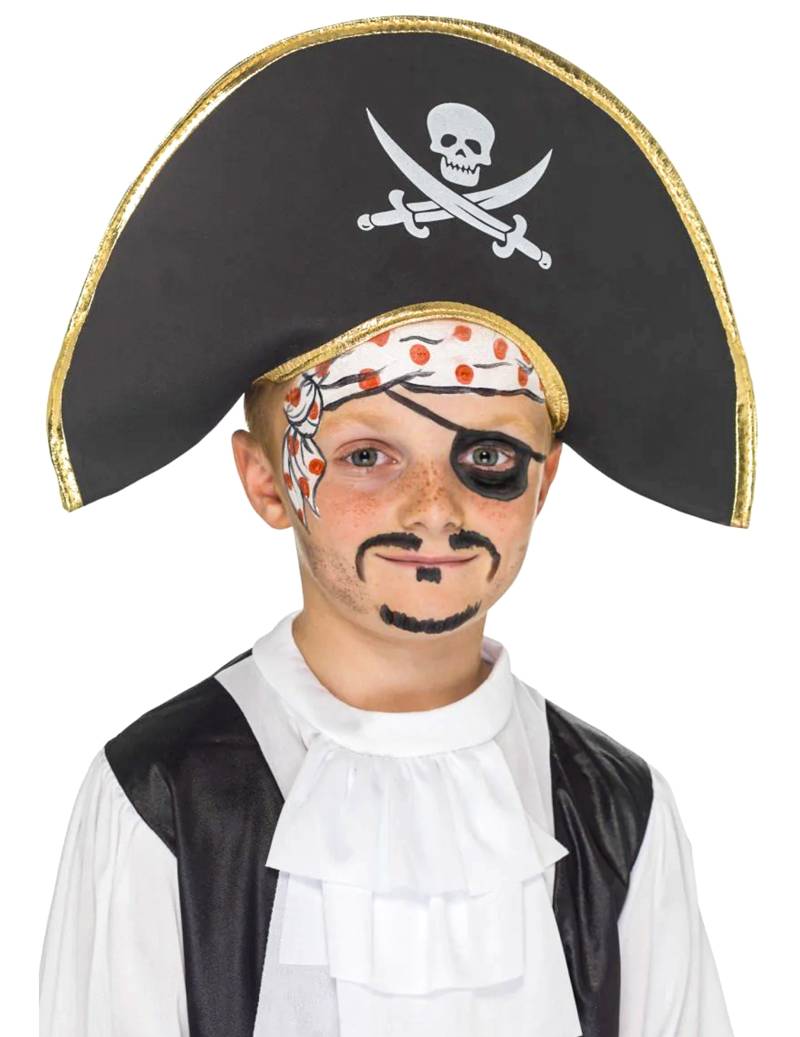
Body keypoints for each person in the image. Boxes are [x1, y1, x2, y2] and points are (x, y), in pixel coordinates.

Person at [40, 15, 756, 1037]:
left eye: (488, 458)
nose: (436, 507)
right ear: (267, 481)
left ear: (543, 483)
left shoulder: (617, 812)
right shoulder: (163, 799)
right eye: (369, 456)